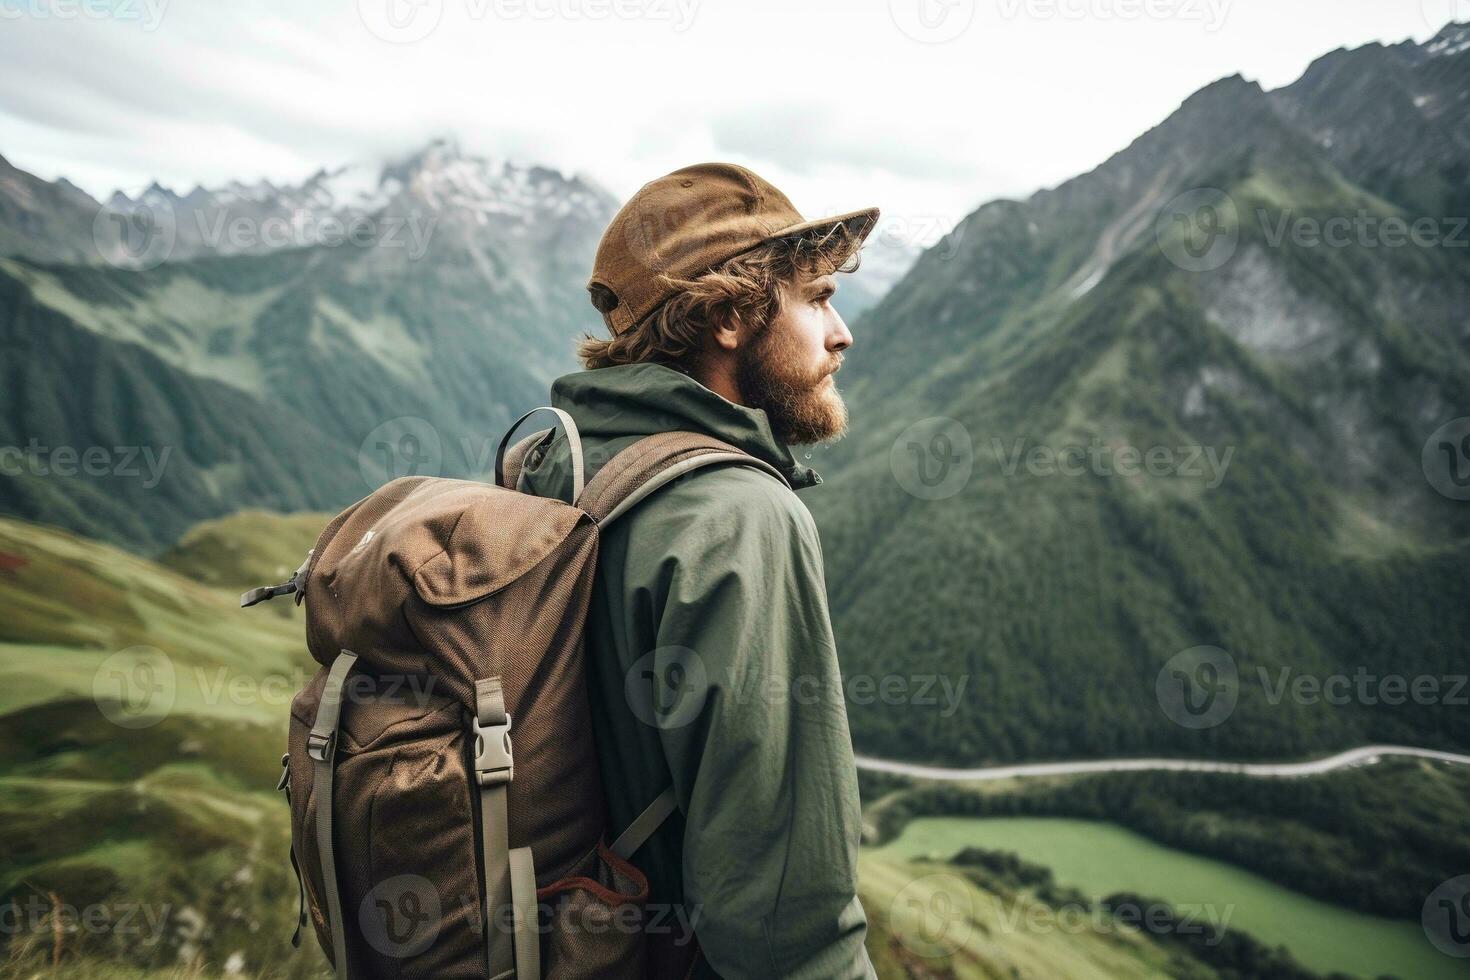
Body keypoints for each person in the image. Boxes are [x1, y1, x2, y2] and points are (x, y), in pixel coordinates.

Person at [516, 162, 879, 979]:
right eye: (817, 297)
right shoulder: (739, 516)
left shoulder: (553, 459)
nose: (841, 332)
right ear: (728, 316)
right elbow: (787, 917)